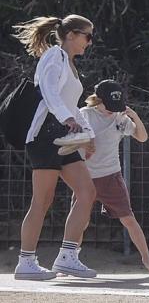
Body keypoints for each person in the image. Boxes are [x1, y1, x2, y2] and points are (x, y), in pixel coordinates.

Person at [12, 15, 98, 280]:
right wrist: (68, 119)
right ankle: (26, 262)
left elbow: (71, 105)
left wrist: (88, 134)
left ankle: (67, 257)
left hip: (63, 135)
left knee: (87, 192)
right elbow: (48, 91)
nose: (90, 42)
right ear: (71, 35)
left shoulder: (70, 65)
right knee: (42, 200)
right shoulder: (54, 56)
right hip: (44, 135)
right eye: (87, 36)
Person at [75, 80, 149, 271]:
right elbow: (71, 139)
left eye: (117, 105)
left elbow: (142, 137)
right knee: (80, 221)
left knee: (128, 218)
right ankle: (69, 259)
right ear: (98, 100)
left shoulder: (119, 117)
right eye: (109, 105)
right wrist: (84, 144)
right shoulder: (85, 114)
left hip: (111, 175)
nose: (112, 110)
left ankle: (147, 259)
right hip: (86, 177)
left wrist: (135, 117)